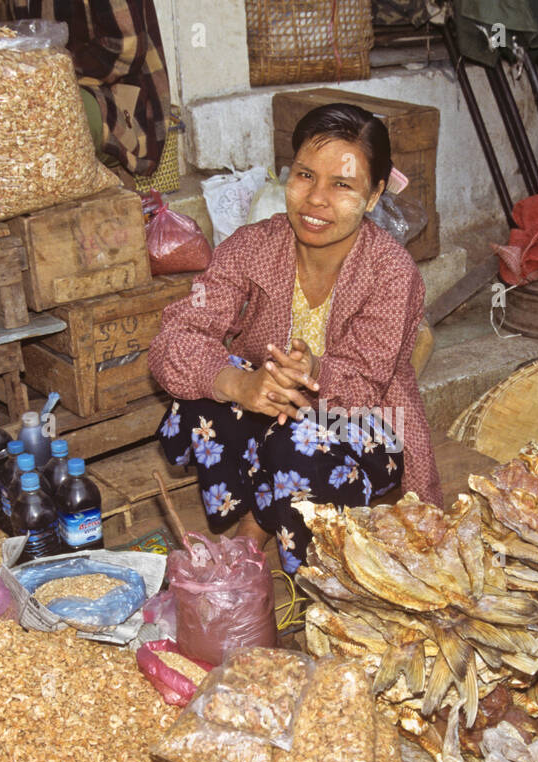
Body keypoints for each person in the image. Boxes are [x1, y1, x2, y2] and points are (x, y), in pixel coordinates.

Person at [149, 102, 441, 574]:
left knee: (298, 448)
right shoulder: (250, 247)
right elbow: (175, 338)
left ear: (373, 195)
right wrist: (237, 384)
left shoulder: (391, 272)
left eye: (342, 184)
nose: (316, 199)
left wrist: (314, 371)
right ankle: (260, 511)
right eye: (305, 175)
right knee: (199, 401)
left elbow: (366, 384)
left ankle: (288, 551)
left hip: (365, 419)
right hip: (271, 406)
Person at [7, 0, 169, 176]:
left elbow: (126, 48)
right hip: (51, 85)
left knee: (46, 122)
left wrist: (52, 68)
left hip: (115, 97)